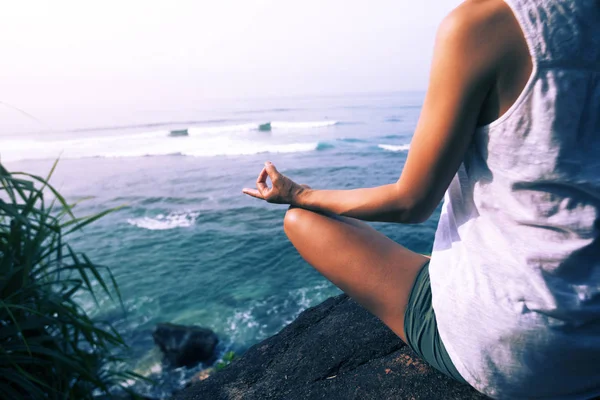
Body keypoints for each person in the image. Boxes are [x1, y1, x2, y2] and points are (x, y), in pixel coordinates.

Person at [243, 0, 600, 398]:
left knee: (302, 220)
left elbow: (411, 202)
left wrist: (299, 193)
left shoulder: (485, 24)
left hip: (528, 349)